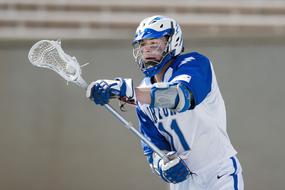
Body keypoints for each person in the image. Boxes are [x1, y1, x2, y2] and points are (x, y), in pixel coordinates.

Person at [86, 15, 244, 190]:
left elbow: (180, 97)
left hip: (218, 173)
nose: (147, 50)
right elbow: (152, 148)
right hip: (183, 184)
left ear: (172, 41)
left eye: (154, 43)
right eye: (143, 45)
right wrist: (163, 165)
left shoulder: (195, 63)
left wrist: (131, 92)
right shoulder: (143, 91)